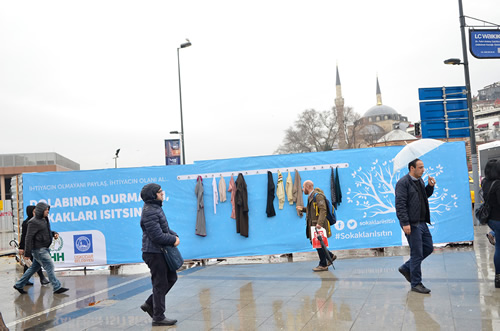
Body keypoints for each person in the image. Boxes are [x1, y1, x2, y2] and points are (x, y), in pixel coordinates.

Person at [140, 183, 179, 326]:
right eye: (159, 191)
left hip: (159, 252)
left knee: (171, 277)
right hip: (154, 253)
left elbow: (165, 228)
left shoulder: (156, 208)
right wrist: (173, 240)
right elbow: (157, 236)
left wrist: (175, 235)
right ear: (153, 195)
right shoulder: (150, 211)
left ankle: (150, 304)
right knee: (160, 283)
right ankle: (158, 317)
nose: (162, 193)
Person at [395, 159, 436, 294]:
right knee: (417, 253)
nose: (423, 170)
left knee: (428, 248)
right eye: (420, 167)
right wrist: (405, 223)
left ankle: (407, 267)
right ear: (412, 168)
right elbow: (400, 205)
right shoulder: (403, 183)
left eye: (423, 167)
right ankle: (416, 283)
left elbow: (423, 197)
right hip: (412, 224)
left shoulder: (420, 181)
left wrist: (430, 186)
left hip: (422, 222)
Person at [13, 202, 69, 295]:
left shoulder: (44, 219)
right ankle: (57, 287)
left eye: (48, 210)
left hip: (44, 248)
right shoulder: (32, 222)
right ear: (41, 211)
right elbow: (28, 237)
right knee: (50, 266)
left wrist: (53, 233)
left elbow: (45, 231)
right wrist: (26, 253)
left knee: (33, 268)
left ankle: (19, 285)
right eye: (46, 210)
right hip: (39, 250)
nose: (48, 211)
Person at [296, 180, 336, 272]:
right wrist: (302, 209)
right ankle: (329, 257)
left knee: (318, 244)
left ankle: (323, 264)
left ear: (307, 187)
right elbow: (312, 211)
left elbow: (323, 210)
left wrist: (319, 224)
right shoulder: (311, 197)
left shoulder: (318, 196)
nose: (302, 189)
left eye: (303, 187)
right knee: (316, 243)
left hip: (317, 225)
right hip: (313, 224)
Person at [18, 205, 49, 286]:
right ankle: (42, 278)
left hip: (36, 245)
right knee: (35, 262)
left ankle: (24, 281)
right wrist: (21, 247)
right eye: (34, 212)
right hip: (30, 246)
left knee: (31, 264)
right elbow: (24, 235)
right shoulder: (26, 223)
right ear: (30, 212)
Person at [480, 160, 500, 288]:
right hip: (499, 218)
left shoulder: (485, 183)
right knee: (499, 248)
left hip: (491, 220)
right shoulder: (498, 184)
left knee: (499, 247)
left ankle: (498, 277)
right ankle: (498, 277)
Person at [483, 159, 497, 246]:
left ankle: (492, 233)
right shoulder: (497, 184)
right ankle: (492, 234)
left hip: (489, 216)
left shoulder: (484, 182)